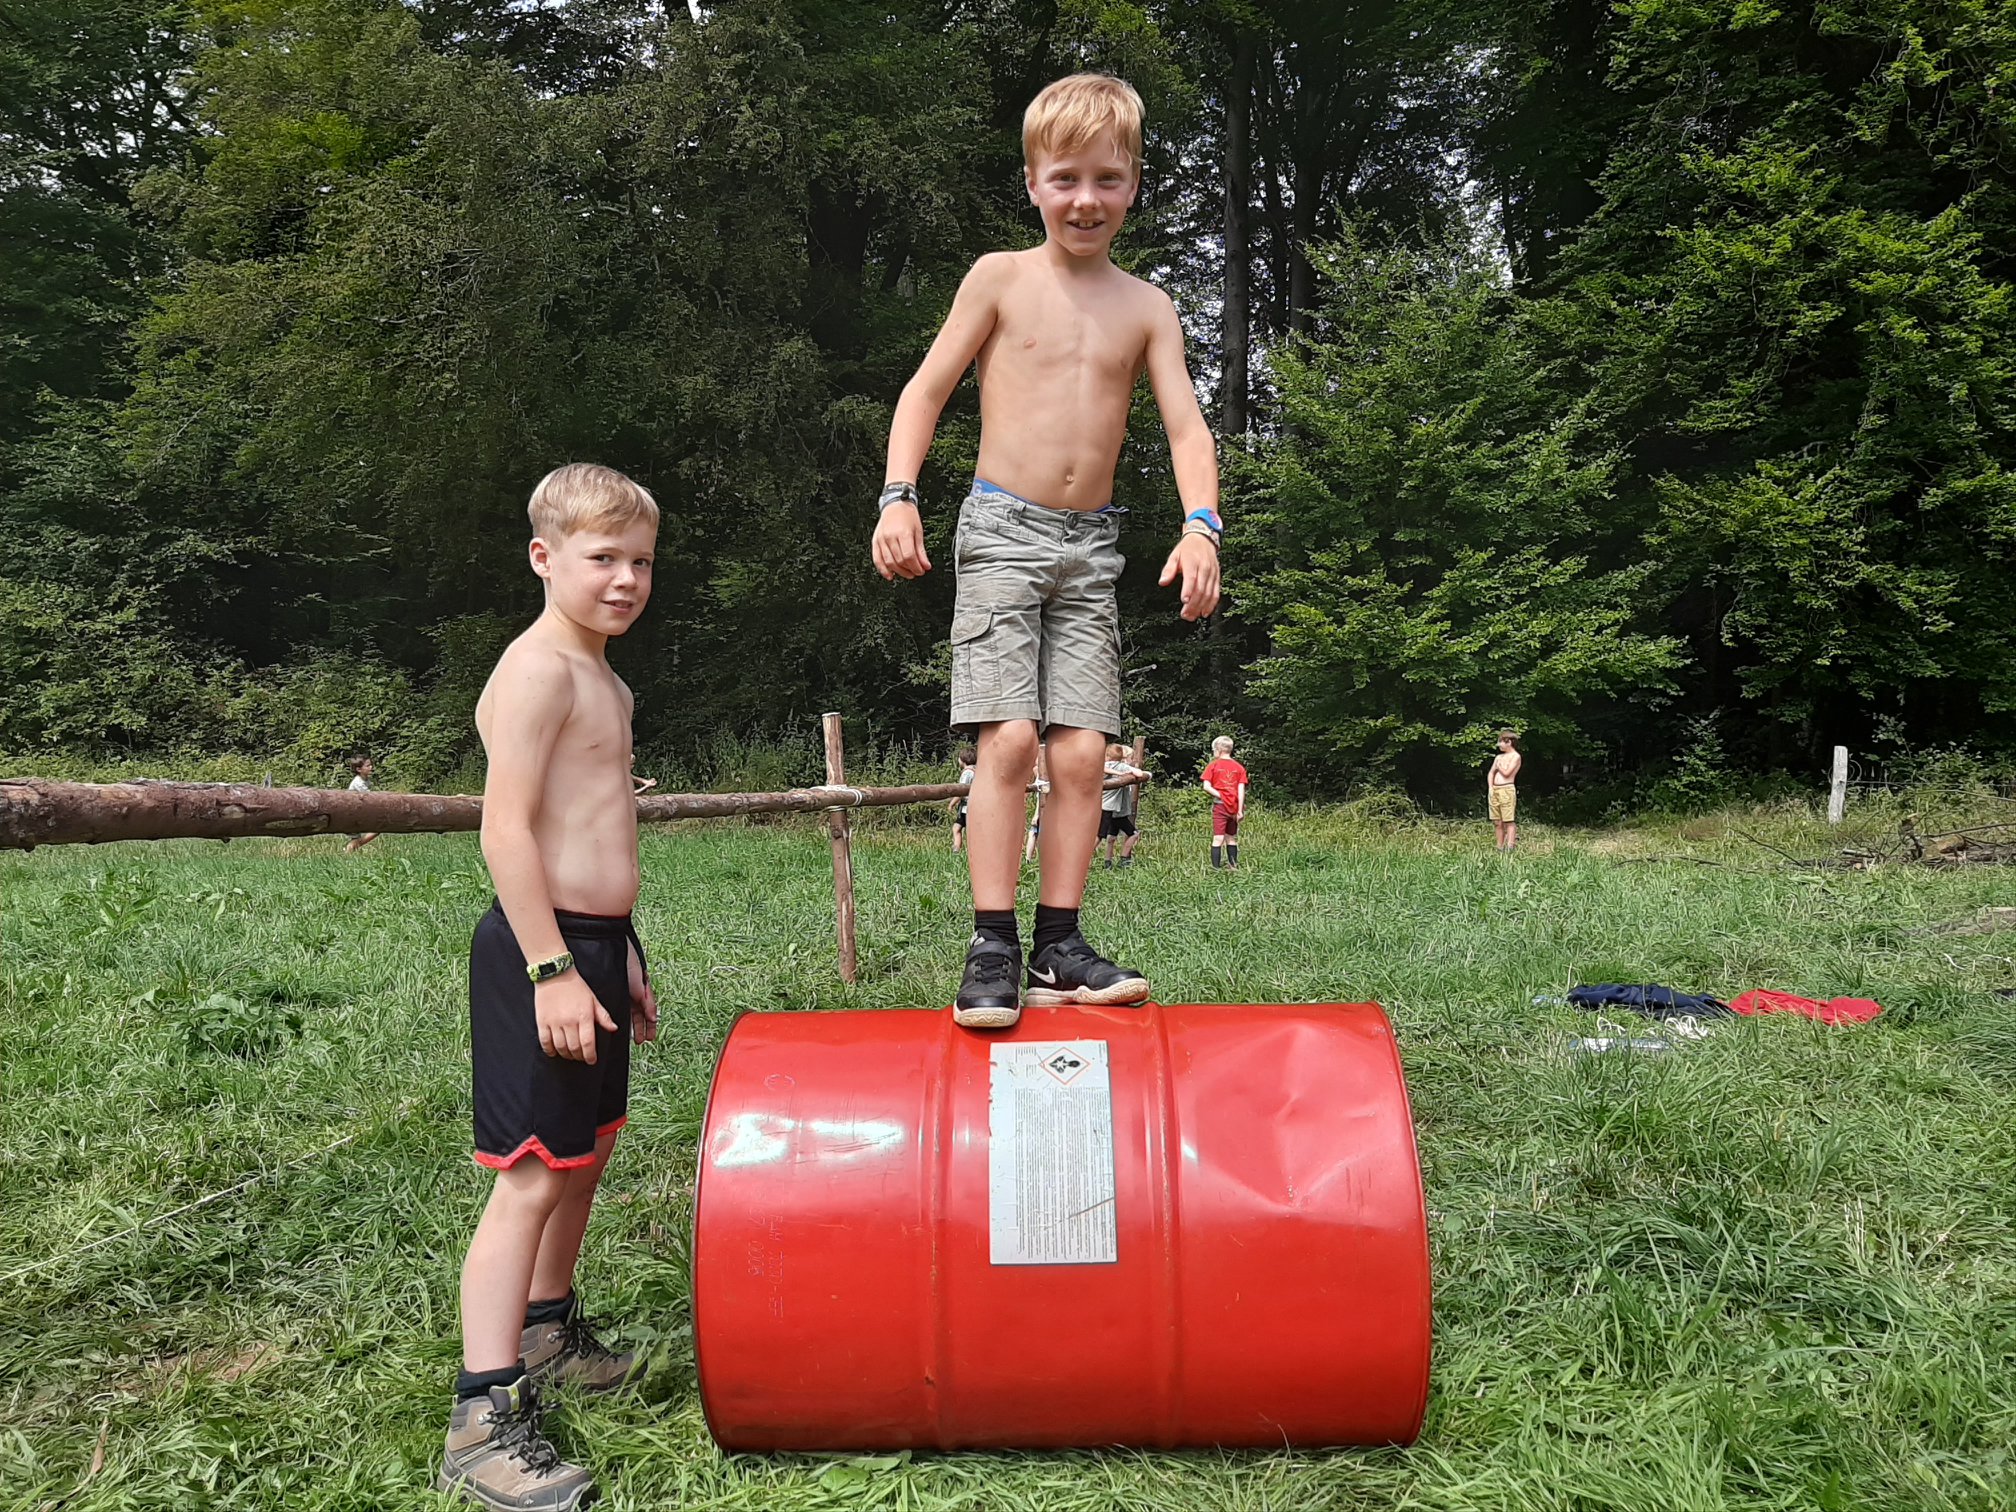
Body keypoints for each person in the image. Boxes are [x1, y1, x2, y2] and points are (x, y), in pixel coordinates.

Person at [870, 73, 1223, 1028]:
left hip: (1092, 550)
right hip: (1002, 532)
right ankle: (993, 939)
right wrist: (899, 495)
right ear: (1032, 182)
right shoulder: (1000, 278)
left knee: (1083, 754)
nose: (1085, 199)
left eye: (1107, 179)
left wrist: (1202, 526)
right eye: (1064, 178)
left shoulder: (1147, 306)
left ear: (1135, 184)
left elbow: (1189, 429)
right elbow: (923, 392)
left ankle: (1058, 945)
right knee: (1012, 738)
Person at [439, 463, 662, 1512]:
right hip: (541, 950)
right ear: (544, 557)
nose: (624, 580)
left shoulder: (608, 679)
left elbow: (600, 835)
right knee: (532, 1169)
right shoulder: (538, 671)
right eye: (601, 558)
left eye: (640, 562)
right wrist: (551, 969)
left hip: (596, 944)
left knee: (587, 1149)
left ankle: (548, 1328)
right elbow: (506, 829)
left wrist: (622, 958)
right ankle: (483, 1415)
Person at [1201, 736, 1246, 870]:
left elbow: (1206, 786)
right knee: (1231, 837)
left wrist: (1221, 795)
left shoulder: (1213, 765)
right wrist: (1240, 810)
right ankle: (1233, 866)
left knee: (1218, 838)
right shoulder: (1239, 767)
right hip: (1234, 806)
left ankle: (1216, 868)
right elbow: (1241, 789)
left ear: (1218, 750)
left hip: (1220, 805)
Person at [1100, 743, 1148, 868]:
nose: (1133, 761)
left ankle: (1108, 861)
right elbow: (1139, 773)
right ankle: (1124, 859)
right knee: (1133, 833)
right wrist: (1131, 769)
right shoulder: (1122, 767)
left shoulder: (1107, 766)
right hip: (1116, 809)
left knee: (1111, 836)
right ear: (1124, 758)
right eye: (1131, 758)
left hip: (1113, 808)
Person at [1489, 729, 1522, 852]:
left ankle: (1510, 845)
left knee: (1508, 819)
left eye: (1501, 742)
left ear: (1509, 742)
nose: (1499, 745)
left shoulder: (1516, 757)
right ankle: (1499, 846)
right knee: (1497, 821)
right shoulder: (1498, 757)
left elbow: (1507, 773)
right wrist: (1491, 787)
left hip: (1507, 789)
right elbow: (1491, 773)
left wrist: (1500, 766)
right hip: (1495, 790)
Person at [343, 755, 380, 853]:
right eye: (367, 766)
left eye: (371, 765)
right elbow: (370, 797)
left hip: (358, 812)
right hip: (352, 814)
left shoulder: (366, 780)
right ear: (359, 769)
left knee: (375, 830)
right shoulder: (358, 782)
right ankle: (352, 848)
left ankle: (353, 848)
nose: (371, 767)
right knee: (376, 829)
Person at [949, 745, 977, 853]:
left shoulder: (967, 773)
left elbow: (961, 791)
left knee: (960, 829)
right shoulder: (977, 771)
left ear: (963, 760)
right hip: (971, 807)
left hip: (967, 807)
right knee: (957, 828)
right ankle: (957, 849)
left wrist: (952, 803)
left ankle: (959, 850)